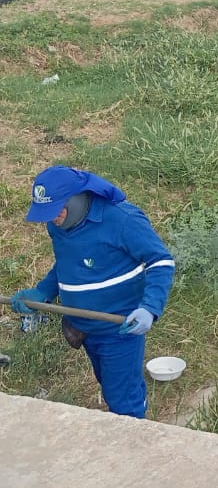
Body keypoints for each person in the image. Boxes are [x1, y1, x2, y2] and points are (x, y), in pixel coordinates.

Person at [8, 166, 175, 417]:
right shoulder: (58, 224)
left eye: (57, 210)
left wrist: (149, 308)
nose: (52, 218)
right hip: (84, 327)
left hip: (119, 328)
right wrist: (42, 291)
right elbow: (67, 263)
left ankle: (136, 442)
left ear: (77, 198)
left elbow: (161, 262)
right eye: (47, 212)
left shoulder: (121, 220)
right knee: (108, 384)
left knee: (122, 400)